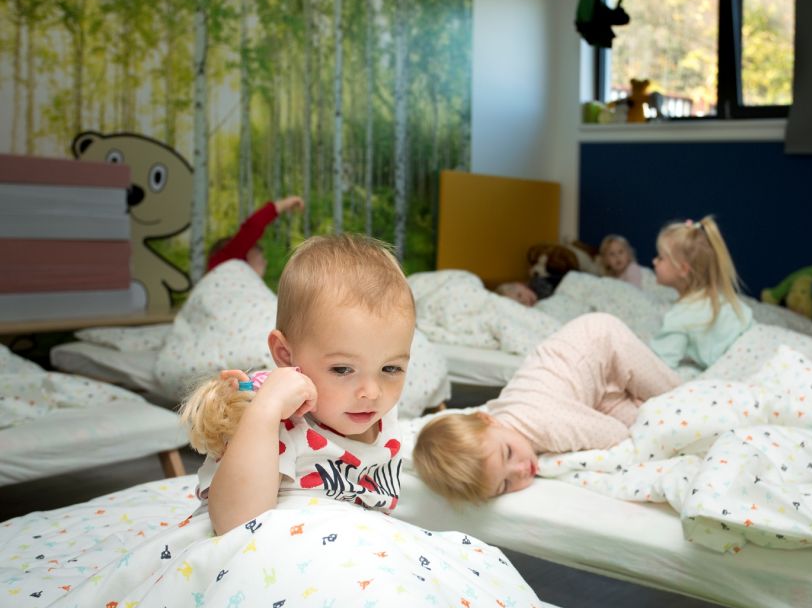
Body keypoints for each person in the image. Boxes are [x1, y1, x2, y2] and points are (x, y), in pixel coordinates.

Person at [180, 233, 416, 535]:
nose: (372, 392)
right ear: (285, 354)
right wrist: (265, 412)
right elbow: (233, 523)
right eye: (342, 369)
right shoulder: (275, 419)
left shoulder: (380, 416)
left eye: (391, 368)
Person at [413, 313, 682, 504]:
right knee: (650, 420)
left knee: (675, 399)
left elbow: (617, 434)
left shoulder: (549, 426)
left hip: (601, 340)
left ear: (488, 420)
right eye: (504, 485)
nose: (521, 470)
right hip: (592, 391)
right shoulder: (496, 427)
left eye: (508, 453)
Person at [649, 216, 752, 371]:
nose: (654, 261)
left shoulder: (680, 317)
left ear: (683, 269)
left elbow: (657, 368)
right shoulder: (722, 299)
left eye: (660, 258)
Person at [206, 195, 305, 276]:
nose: (265, 263)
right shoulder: (228, 260)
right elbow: (253, 228)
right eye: (261, 257)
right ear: (247, 254)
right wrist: (284, 204)